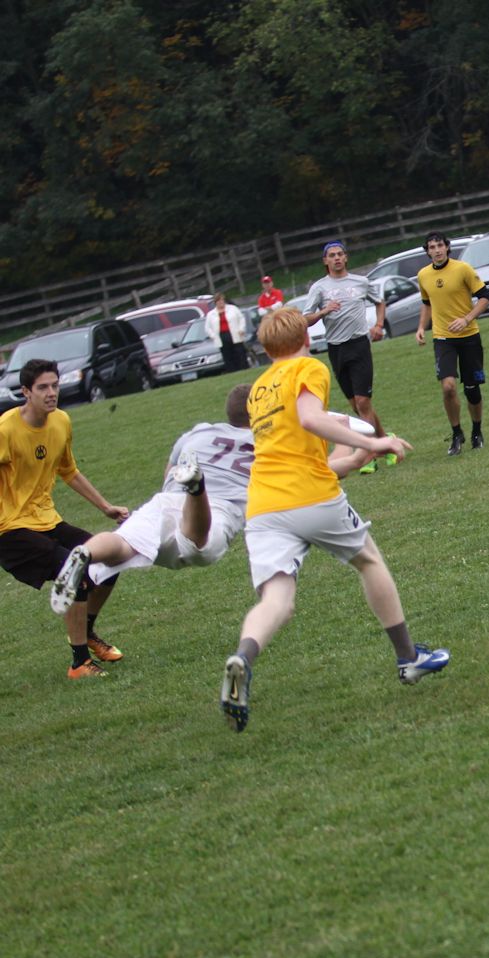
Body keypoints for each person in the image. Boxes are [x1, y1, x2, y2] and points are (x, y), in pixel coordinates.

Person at [220, 307, 449, 733]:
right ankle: (408, 658)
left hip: (263, 505)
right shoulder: (309, 368)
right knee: (369, 561)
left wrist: (357, 445)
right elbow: (311, 419)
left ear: (267, 348)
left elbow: (298, 435)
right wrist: (374, 441)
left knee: (277, 600)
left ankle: (243, 658)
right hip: (309, 494)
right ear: (305, 338)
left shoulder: (259, 388)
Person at [48, 384, 256, 611]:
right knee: (198, 547)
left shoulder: (200, 431)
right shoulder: (268, 443)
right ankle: (197, 489)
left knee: (122, 545)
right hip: (217, 507)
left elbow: (168, 473)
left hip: (166, 500)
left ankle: (86, 552)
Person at [0, 359, 130, 679]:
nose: (51, 392)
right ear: (26, 392)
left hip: (47, 521)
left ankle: (86, 632)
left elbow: (68, 470)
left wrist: (105, 507)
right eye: (42, 387)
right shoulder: (6, 430)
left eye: (55, 386)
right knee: (75, 572)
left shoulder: (61, 421)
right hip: (10, 529)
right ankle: (79, 663)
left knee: (112, 555)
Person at [303, 240, 394, 474]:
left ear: (346, 257)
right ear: (325, 260)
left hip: (359, 345)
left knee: (363, 402)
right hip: (336, 348)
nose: (336, 258)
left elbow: (380, 302)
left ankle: (369, 454)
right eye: (332, 255)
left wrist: (379, 325)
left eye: (340, 254)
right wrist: (324, 311)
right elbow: (305, 319)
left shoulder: (360, 282)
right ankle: (385, 440)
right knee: (357, 405)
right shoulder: (319, 288)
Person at [414, 231, 489, 456]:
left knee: (471, 389)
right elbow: (427, 303)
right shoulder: (423, 275)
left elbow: (485, 297)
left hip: (469, 336)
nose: (437, 250)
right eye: (432, 247)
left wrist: (466, 319)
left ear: (447, 247)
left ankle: (477, 431)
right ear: (427, 252)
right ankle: (457, 433)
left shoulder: (463, 269)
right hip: (443, 338)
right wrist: (421, 327)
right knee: (448, 387)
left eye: (440, 245)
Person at [204, 292, 250, 373]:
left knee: (240, 353)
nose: (221, 302)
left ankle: (244, 369)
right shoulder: (211, 314)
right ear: (215, 303)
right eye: (218, 301)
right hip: (222, 336)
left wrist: (241, 329)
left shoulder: (233, 309)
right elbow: (207, 328)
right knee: (227, 355)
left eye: (222, 300)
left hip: (235, 334)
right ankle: (232, 371)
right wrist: (213, 335)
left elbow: (241, 319)